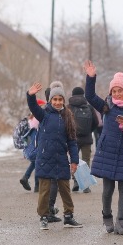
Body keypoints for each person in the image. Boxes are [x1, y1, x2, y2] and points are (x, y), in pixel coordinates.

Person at [83, 60, 123, 235]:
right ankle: (107, 217)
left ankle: (122, 222)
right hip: (107, 153)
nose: (117, 94)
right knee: (108, 190)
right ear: (111, 92)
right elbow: (89, 95)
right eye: (114, 91)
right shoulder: (106, 106)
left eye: (120, 91)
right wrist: (91, 76)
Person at [27, 80, 82, 230]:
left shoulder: (68, 117)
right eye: (55, 99)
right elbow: (32, 106)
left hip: (61, 159)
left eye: (60, 99)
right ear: (50, 100)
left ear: (64, 101)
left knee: (65, 189)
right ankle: (44, 216)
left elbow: (72, 141)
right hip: (45, 158)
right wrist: (30, 95)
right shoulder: (43, 114)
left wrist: (74, 160)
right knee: (44, 191)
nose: (57, 102)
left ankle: (69, 216)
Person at [68, 86, 99, 193]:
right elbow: (96, 122)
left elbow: (65, 122)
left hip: (73, 139)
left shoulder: (69, 107)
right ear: (83, 95)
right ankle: (86, 185)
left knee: (74, 160)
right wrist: (89, 131)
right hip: (87, 138)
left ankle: (76, 181)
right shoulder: (89, 107)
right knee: (86, 161)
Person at [19, 99, 46, 192]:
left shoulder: (31, 118)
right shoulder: (37, 118)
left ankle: (26, 178)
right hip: (37, 142)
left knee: (35, 162)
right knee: (37, 162)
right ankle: (36, 185)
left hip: (33, 141)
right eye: (42, 106)